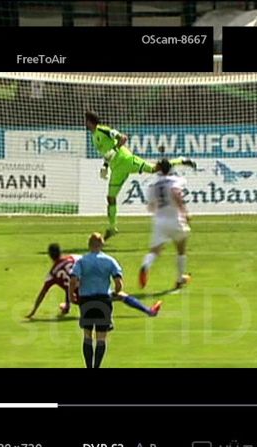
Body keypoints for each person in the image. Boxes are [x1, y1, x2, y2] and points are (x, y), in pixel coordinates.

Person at [85, 110, 196, 240]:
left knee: (154, 169)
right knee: (111, 198)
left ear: (90, 121)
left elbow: (123, 138)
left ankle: (180, 160)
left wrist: (114, 150)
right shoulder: (94, 137)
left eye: (86, 121)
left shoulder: (103, 130)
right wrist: (105, 166)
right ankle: (112, 228)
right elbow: (107, 154)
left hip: (127, 160)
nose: (85, 123)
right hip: (116, 169)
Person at [69, 233, 162, 368]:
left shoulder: (82, 261)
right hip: (103, 300)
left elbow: (73, 280)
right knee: (101, 337)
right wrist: (117, 291)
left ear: (89, 245)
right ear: (102, 244)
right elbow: (118, 282)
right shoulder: (110, 260)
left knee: (87, 335)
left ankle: (88, 367)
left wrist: (71, 295)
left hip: (86, 301)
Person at [139, 158, 193, 290]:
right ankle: (180, 279)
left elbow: (151, 207)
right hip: (174, 218)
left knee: (155, 251)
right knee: (181, 249)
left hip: (159, 221)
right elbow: (176, 193)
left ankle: (146, 265)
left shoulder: (154, 185)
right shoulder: (176, 180)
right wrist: (185, 212)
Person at [26, 243, 79, 319]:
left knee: (68, 286)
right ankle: (67, 306)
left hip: (77, 299)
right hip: (90, 292)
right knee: (73, 282)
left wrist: (33, 311)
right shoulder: (73, 258)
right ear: (60, 252)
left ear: (50, 256)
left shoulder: (52, 273)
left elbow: (43, 292)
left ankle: (67, 306)